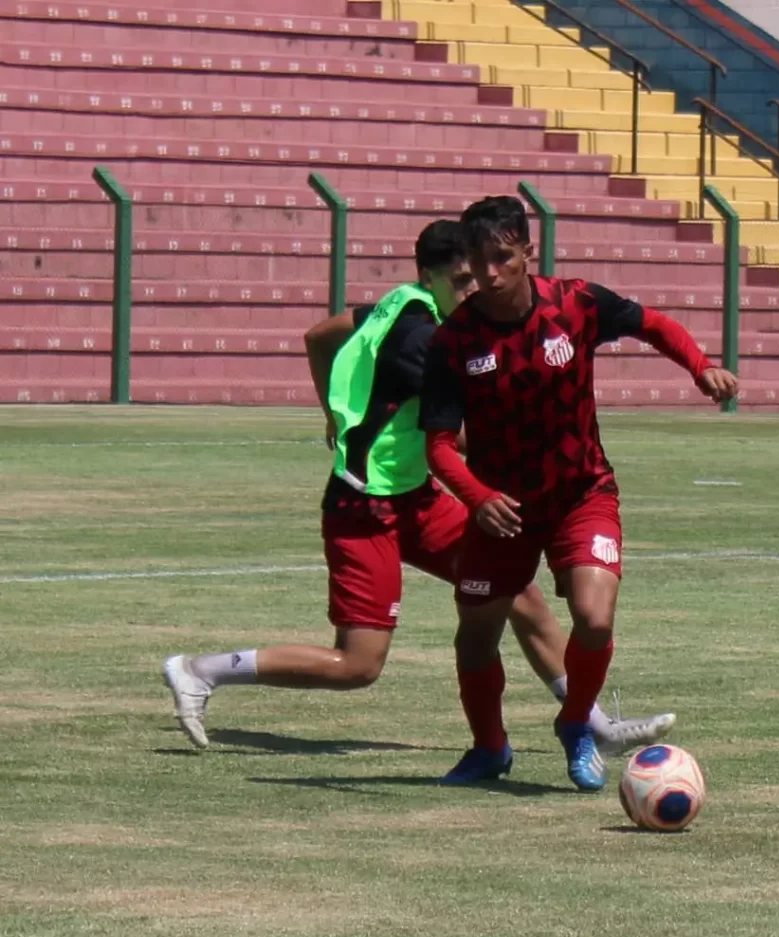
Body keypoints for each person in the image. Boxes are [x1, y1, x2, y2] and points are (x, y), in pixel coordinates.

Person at [162, 219, 676, 757]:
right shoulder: (427, 340)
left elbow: (322, 334)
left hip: (415, 496)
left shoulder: (406, 302)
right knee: (358, 665)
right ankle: (200, 671)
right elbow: (467, 438)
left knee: (518, 593)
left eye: (475, 275)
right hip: (364, 509)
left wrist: (335, 415)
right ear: (427, 276)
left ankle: (589, 723)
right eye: (460, 279)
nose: (475, 288)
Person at [418, 196, 739, 791]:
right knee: (475, 638)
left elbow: (654, 324)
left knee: (593, 617)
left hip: (580, 493)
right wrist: (477, 496)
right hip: (503, 514)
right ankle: (489, 748)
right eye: (478, 261)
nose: (488, 274)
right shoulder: (455, 340)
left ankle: (576, 724)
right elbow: (437, 445)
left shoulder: (576, 303)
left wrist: (699, 366)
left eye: (502, 258)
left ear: (526, 253)